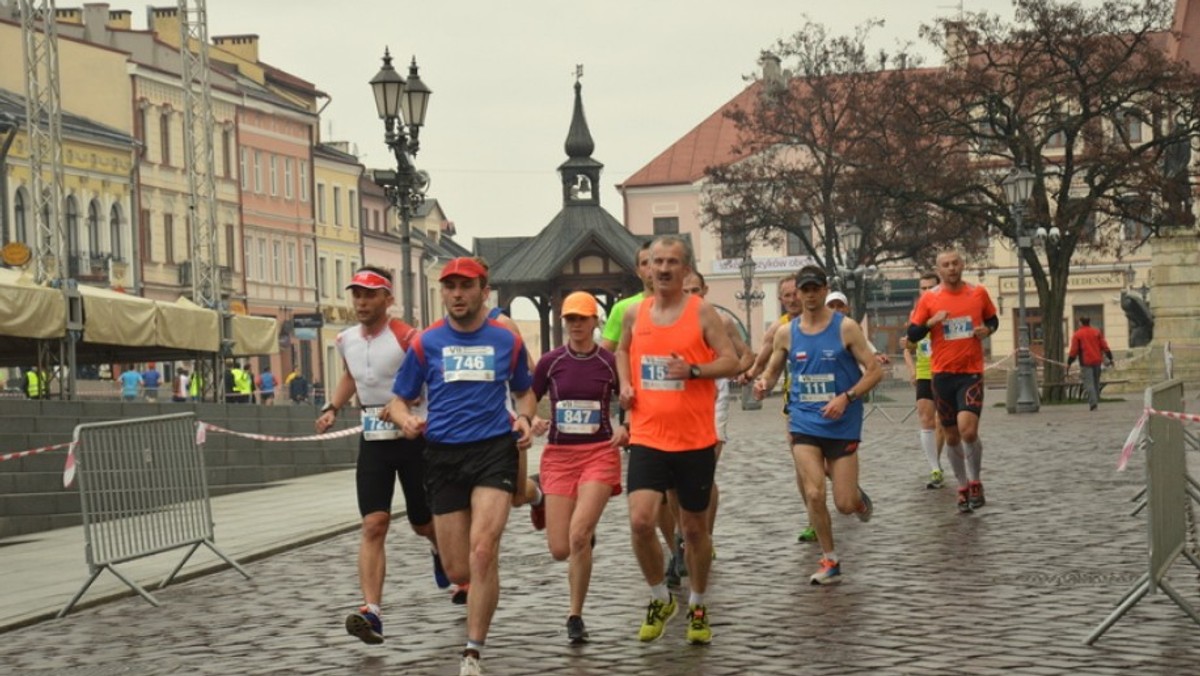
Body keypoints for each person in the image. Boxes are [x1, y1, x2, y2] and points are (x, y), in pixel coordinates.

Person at [387, 257, 536, 676]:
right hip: (443, 455)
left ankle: (472, 651)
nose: (456, 294)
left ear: (483, 292)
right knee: (458, 568)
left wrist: (524, 418)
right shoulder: (425, 343)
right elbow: (399, 399)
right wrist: (406, 420)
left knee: (484, 549)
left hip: (493, 450)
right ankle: (475, 580)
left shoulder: (505, 340)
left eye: (465, 286)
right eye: (450, 286)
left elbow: (525, 393)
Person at [616, 235, 740, 645]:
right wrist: (625, 384)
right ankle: (659, 597)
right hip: (648, 434)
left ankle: (698, 604)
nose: (663, 269)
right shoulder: (635, 313)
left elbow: (731, 361)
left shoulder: (702, 312)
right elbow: (621, 350)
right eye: (656, 262)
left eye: (672, 262)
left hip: (693, 439)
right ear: (646, 269)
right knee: (640, 521)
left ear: (686, 269)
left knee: (694, 531)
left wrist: (694, 371)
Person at [315, 266, 444, 648]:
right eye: (356, 294)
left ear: (388, 299)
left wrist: (408, 406)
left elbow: (426, 381)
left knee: (422, 523)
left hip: (411, 435)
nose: (361, 302)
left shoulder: (407, 337)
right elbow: (351, 376)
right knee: (374, 523)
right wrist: (332, 407)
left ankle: (440, 547)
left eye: (370, 295)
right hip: (373, 436)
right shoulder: (345, 339)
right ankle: (372, 610)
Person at [753, 265, 882, 585]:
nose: (809, 295)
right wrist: (763, 383)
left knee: (844, 503)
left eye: (815, 289)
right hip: (804, 421)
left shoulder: (846, 328)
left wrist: (846, 398)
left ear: (825, 290)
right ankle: (830, 559)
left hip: (842, 422)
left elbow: (875, 371)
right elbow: (771, 371)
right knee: (813, 492)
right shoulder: (786, 332)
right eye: (804, 290)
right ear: (797, 293)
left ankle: (858, 499)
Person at [528, 291, 626, 644]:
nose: (576, 325)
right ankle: (545, 503)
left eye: (582, 319)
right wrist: (531, 420)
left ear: (595, 321)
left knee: (579, 535)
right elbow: (530, 395)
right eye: (570, 319)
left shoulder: (608, 362)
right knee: (559, 549)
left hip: (599, 452)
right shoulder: (551, 362)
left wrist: (624, 425)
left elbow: (629, 398)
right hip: (559, 456)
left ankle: (575, 615)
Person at [670, 271, 753, 573]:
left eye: (697, 290)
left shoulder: (720, 320)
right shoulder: (669, 318)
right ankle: (682, 536)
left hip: (713, 397)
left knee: (705, 469)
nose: (692, 295)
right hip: (677, 399)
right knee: (675, 477)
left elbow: (747, 355)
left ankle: (705, 536)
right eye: (687, 289)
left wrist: (732, 372)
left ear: (705, 289)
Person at [907, 249, 1000, 513]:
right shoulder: (929, 299)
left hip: (970, 372)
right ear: (939, 270)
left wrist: (987, 330)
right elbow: (912, 333)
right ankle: (961, 486)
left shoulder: (977, 293)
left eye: (955, 263)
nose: (951, 268)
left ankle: (975, 481)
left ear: (962, 265)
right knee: (950, 437)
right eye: (946, 265)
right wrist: (931, 322)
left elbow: (993, 319)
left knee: (968, 430)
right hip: (942, 374)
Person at [742, 275, 818, 543]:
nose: (793, 299)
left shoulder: (828, 321)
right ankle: (813, 517)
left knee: (830, 464)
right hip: (796, 403)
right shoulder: (779, 329)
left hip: (830, 401)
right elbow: (764, 360)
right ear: (781, 300)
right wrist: (753, 377)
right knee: (802, 463)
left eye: (796, 293)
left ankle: (846, 486)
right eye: (787, 295)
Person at [903, 272, 946, 488]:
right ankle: (935, 468)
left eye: (931, 287)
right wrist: (911, 369)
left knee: (944, 424)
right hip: (924, 372)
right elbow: (908, 346)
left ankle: (940, 462)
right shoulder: (916, 314)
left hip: (945, 371)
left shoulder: (948, 310)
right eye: (923, 288)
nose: (927, 292)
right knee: (926, 419)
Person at [1067, 316, 1114, 411]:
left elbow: (1074, 351)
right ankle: (1095, 400)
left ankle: (1093, 404)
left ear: (1080, 323)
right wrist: (1110, 357)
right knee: (1096, 382)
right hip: (1097, 361)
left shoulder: (1078, 334)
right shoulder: (1096, 332)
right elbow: (1104, 346)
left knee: (1089, 383)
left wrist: (1069, 362)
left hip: (1085, 362)